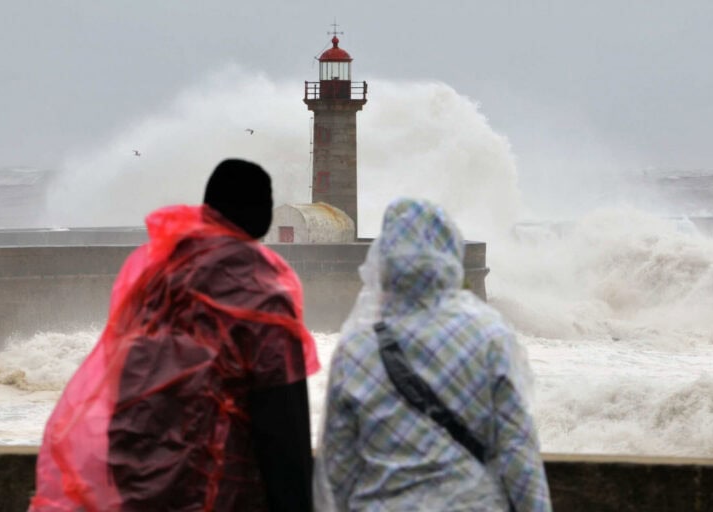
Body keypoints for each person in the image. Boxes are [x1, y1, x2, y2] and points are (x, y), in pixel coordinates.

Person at [30, 159, 319, 511]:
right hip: (220, 490)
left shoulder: (159, 275)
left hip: (139, 483)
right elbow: (283, 424)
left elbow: (126, 374)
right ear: (264, 215)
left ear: (210, 206)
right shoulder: (262, 292)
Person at [314, 197, 551, 511]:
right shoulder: (490, 335)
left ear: (384, 260)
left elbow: (336, 472)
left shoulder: (357, 348)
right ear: (450, 253)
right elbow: (518, 453)